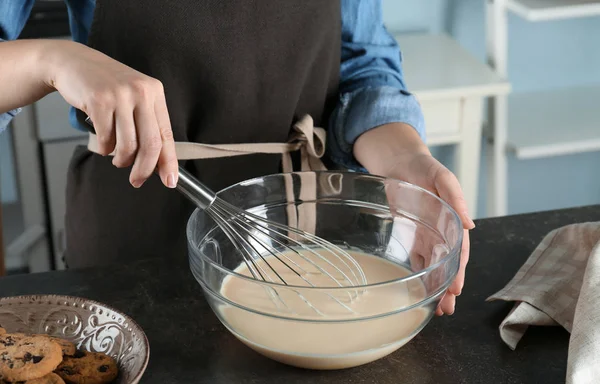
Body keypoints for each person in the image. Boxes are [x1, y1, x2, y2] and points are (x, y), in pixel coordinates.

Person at [0, 0, 473, 316]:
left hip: (306, 236)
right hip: (133, 237)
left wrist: (405, 158)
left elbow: (363, 68)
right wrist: (51, 60)